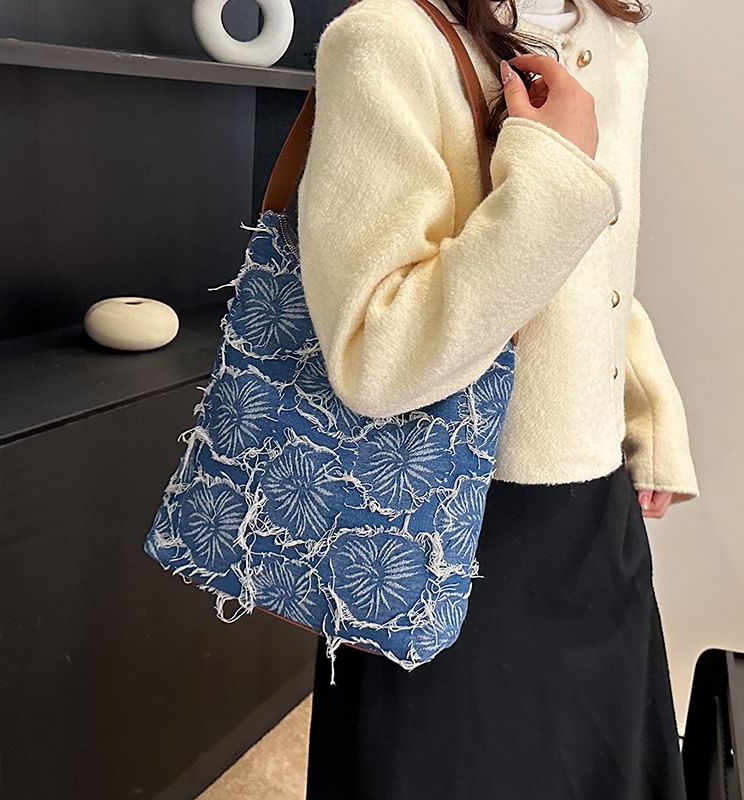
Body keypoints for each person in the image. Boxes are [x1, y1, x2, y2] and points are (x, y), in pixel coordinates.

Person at [296, 0, 700, 798]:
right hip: (437, 517)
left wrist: (649, 411)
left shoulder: (616, 45)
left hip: (596, 511)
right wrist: (552, 171)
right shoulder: (386, 38)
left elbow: (602, 268)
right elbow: (375, 356)